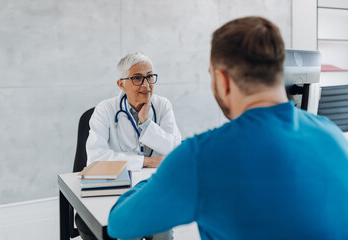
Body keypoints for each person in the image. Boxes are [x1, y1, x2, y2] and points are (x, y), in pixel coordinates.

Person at [107, 16, 348, 239]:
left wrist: (162, 175)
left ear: (222, 80)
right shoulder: (332, 135)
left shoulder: (200, 157)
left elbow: (120, 224)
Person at [77, 52, 181, 240]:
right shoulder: (105, 109)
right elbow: (96, 158)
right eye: (137, 78)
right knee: (126, 228)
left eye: (149, 76)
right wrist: (146, 161)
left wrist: (146, 124)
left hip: (150, 189)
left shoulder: (163, 105)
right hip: (114, 192)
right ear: (121, 84)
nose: (146, 84)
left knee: (162, 230)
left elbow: (175, 150)